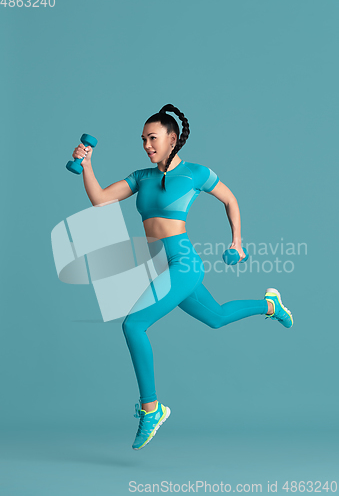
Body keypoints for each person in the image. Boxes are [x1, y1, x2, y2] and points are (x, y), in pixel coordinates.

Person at [72, 103, 293, 451]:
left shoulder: (195, 173)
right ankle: (270, 304)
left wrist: (237, 242)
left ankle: (152, 408)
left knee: (133, 325)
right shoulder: (141, 177)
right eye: (143, 139)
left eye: (153, 138)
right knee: (217, 317)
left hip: (182, 263)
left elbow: (230, 200)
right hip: (158, 265)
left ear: (173, 138)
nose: (147, 145)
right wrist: (86, 164)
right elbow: (100, 200)